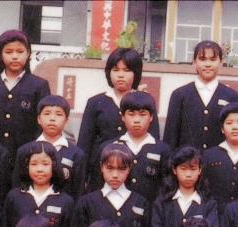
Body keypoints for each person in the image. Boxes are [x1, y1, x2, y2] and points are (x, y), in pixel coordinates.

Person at [66, 143, 150, 227]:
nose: (115, 175)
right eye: (109, 168)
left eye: (121, 169)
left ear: (129, 169)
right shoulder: (87, 202)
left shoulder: (140, 203)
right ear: (101, 167)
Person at [78, 48, 159, 181]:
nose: (121, 75)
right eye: (115, 70)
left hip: (136, 170)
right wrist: (84, 178)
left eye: (126, 70)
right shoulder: (95, 102)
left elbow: (154, 138)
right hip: (101, 170)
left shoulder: (145, 102)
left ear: (136, 73)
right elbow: (84, 144)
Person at [0, 29, 51, 162]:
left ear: (28, 53)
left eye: (20, 51)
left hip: (26, 156)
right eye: (9, 52)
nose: (15, 56)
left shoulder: (39, 85)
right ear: (1, 54)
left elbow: (43, 123)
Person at [1, 141, 74, 227]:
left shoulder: (65, 201)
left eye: (45, 164)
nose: (40, 169)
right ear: (26, 166)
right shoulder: (14, 197)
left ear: (54, 166)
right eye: (34, 164)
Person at [150, 146, 219, 227]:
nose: (188, 174)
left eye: (193, 169)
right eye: (183, 169)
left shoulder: (209, 204)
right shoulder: (162, 204)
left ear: (200, 170)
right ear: (174, 170)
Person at [164, 40, 238, 151]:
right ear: (194, 62)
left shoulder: (231, 96)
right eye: (202, 59)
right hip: (187, 160)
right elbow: (170, 136)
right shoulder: (180, 95)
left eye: (213, 59)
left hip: (219, 160)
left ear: (221, 62)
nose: (208, 64)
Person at [11, 95, 87, 200]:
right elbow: (16, 188)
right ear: (39, 119)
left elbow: (78, 193)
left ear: (66, 120)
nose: (52, 119)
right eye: (47, 114)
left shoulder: (76, 154)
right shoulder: (24, 150)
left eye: (58, 114)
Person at [113, 90, 170, 203]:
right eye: (131, 114)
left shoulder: (162, 150)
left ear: (151, 117)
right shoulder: (111, 147)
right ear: (123, 116)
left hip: (150, 209)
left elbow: (166, 187)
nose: (137, 120)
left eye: (143, 114)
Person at [202, 102, 238, 211]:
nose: (234, 127)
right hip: (216, 214)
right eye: (229, 123)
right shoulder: (209, 155)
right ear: (222, 129)